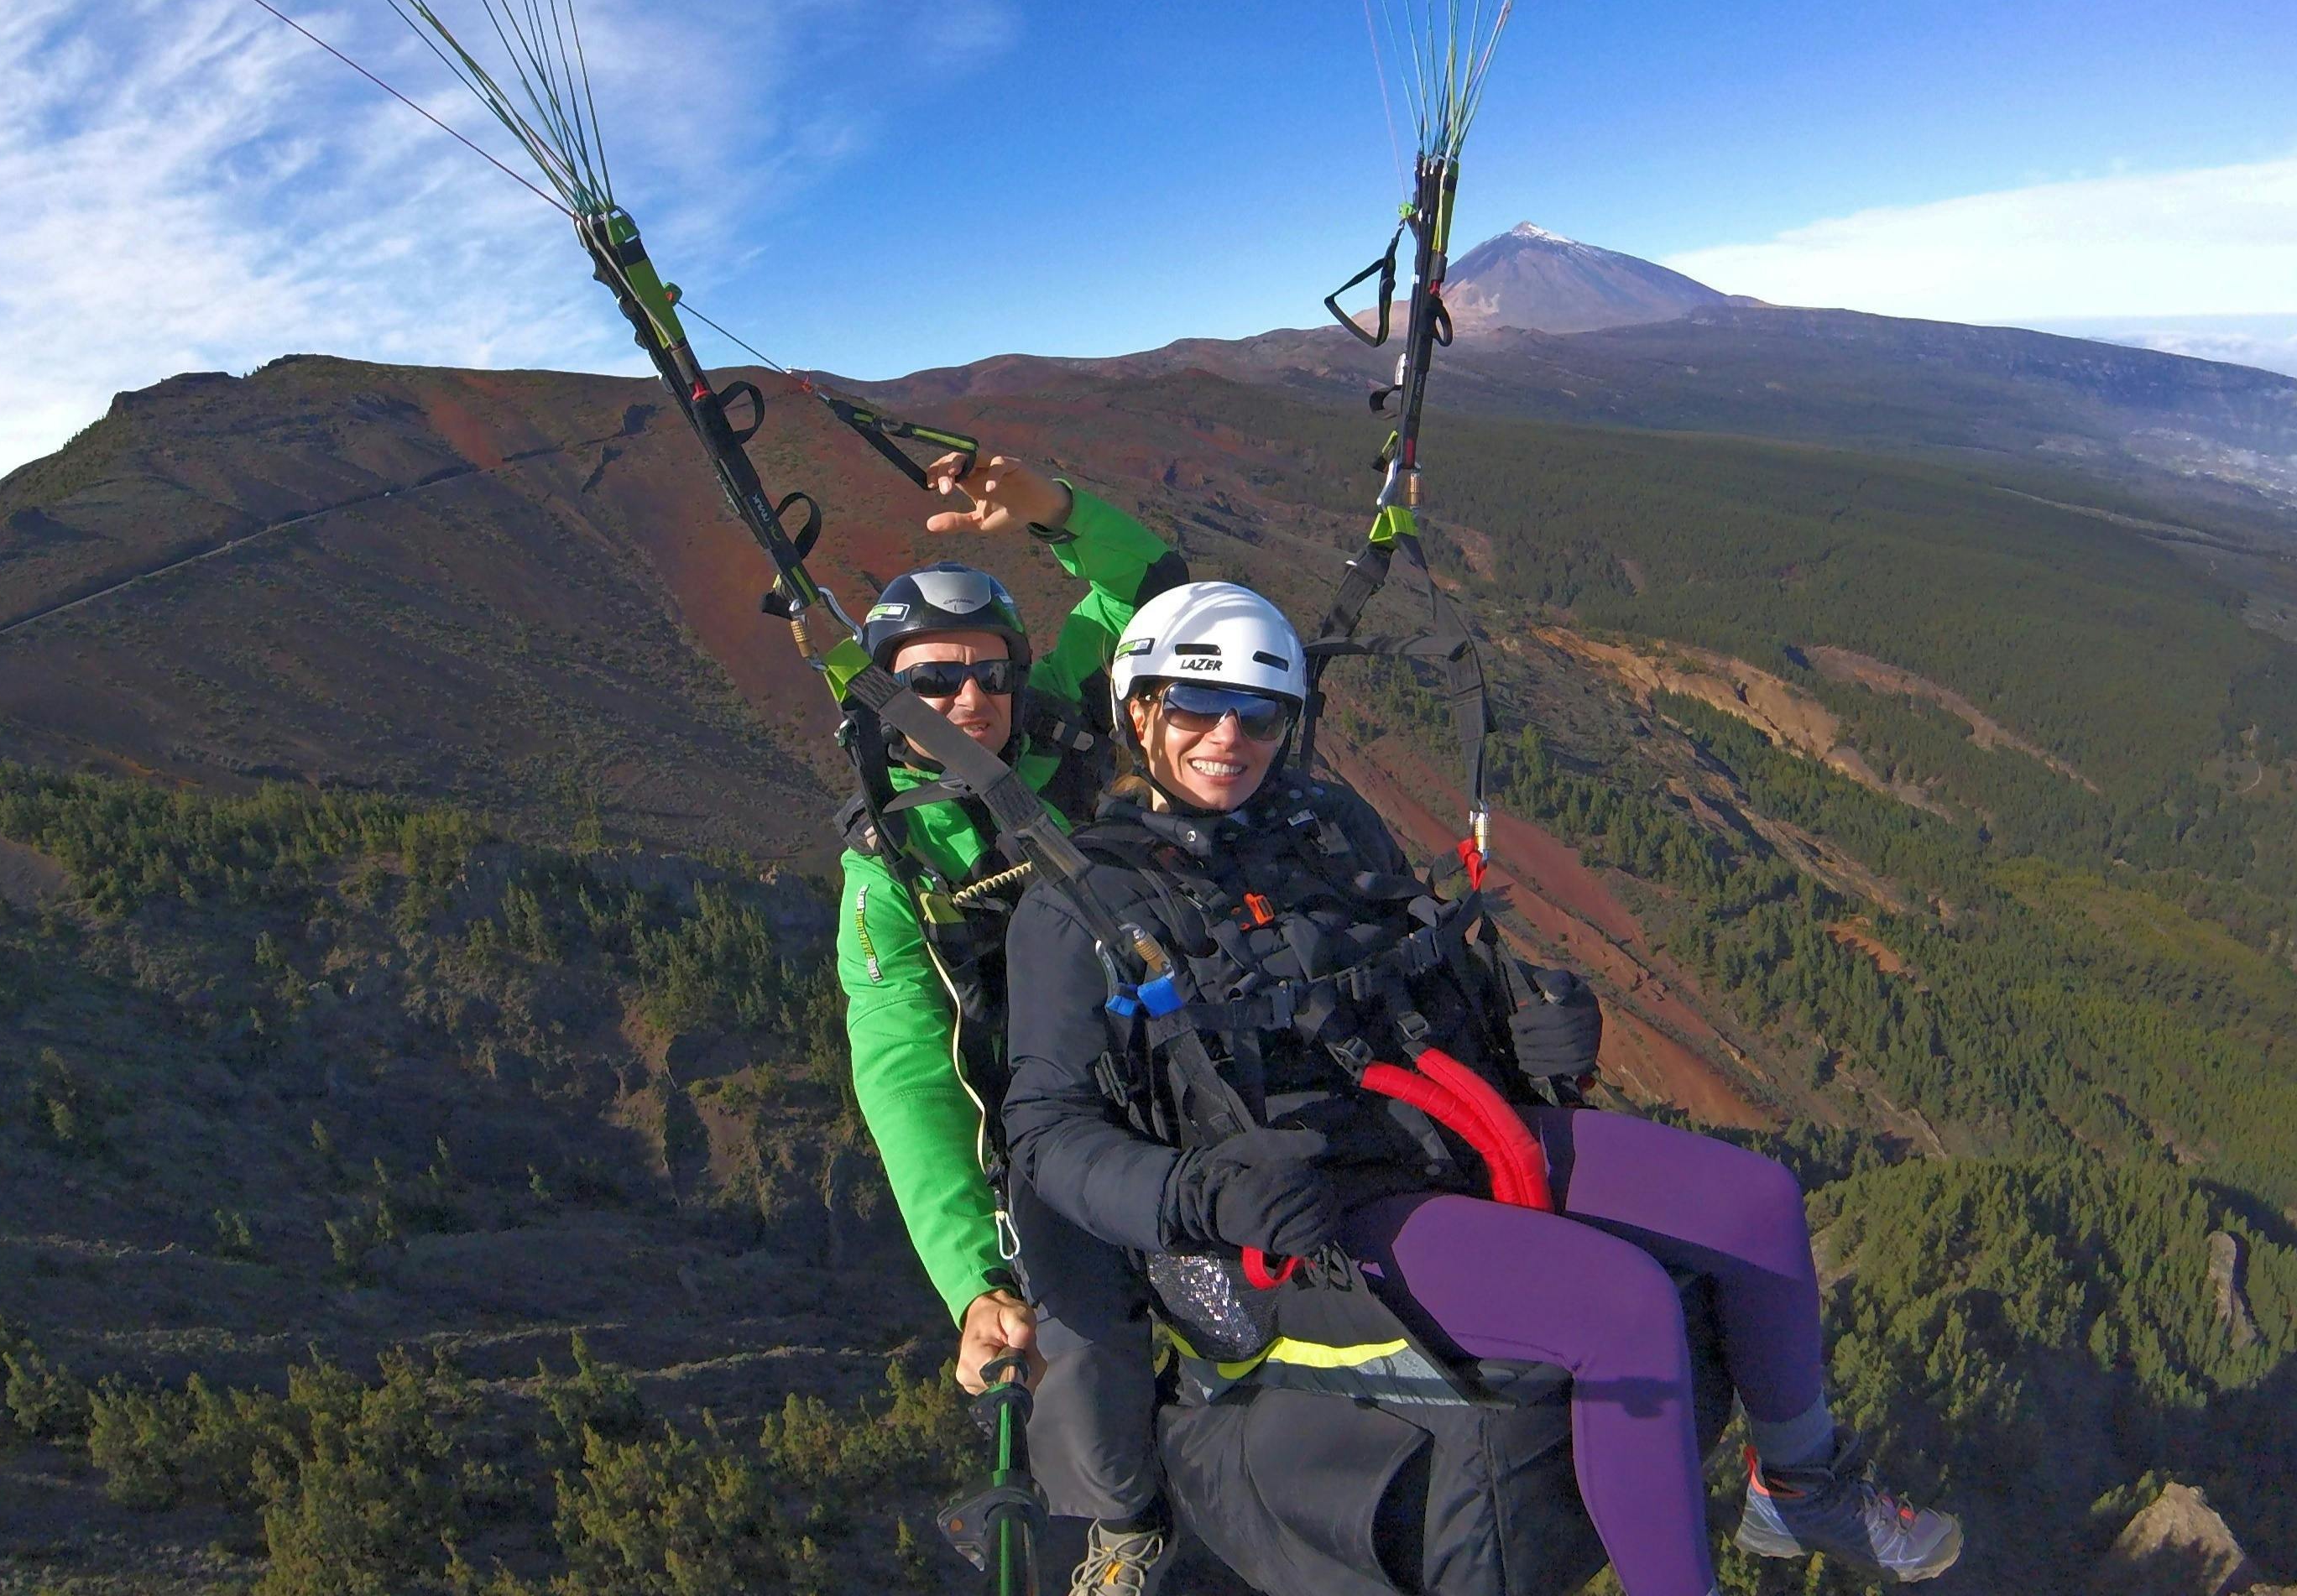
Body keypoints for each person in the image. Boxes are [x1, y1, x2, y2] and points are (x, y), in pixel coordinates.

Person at [1001, 581, 1964, 1594]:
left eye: (1260, 713)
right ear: (1138, 709)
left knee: (1755, 1202)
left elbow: (1419, 973)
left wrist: (1537, 1037)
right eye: (1198, 708)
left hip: (1441, 1124)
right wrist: (1197, 1196)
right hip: (1308, 1205)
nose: (1229, 737)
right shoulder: (1081, 905)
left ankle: (1800, 1487)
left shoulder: (1322, 823)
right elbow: (1047, 1133)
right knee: (1620, 1306)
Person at [833, 451, 1187, 1593]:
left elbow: (1149, 593)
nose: (969, 700)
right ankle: (1124, 1530)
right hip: (1053, 1119)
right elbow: (906, 1078)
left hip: (1176, 1053)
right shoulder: (888, 869)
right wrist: (971, 1277)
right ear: (886, 695)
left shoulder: (1066, 727)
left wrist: (1052, 510)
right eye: (932, 682)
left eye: (988, 673)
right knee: (1079, 1351)